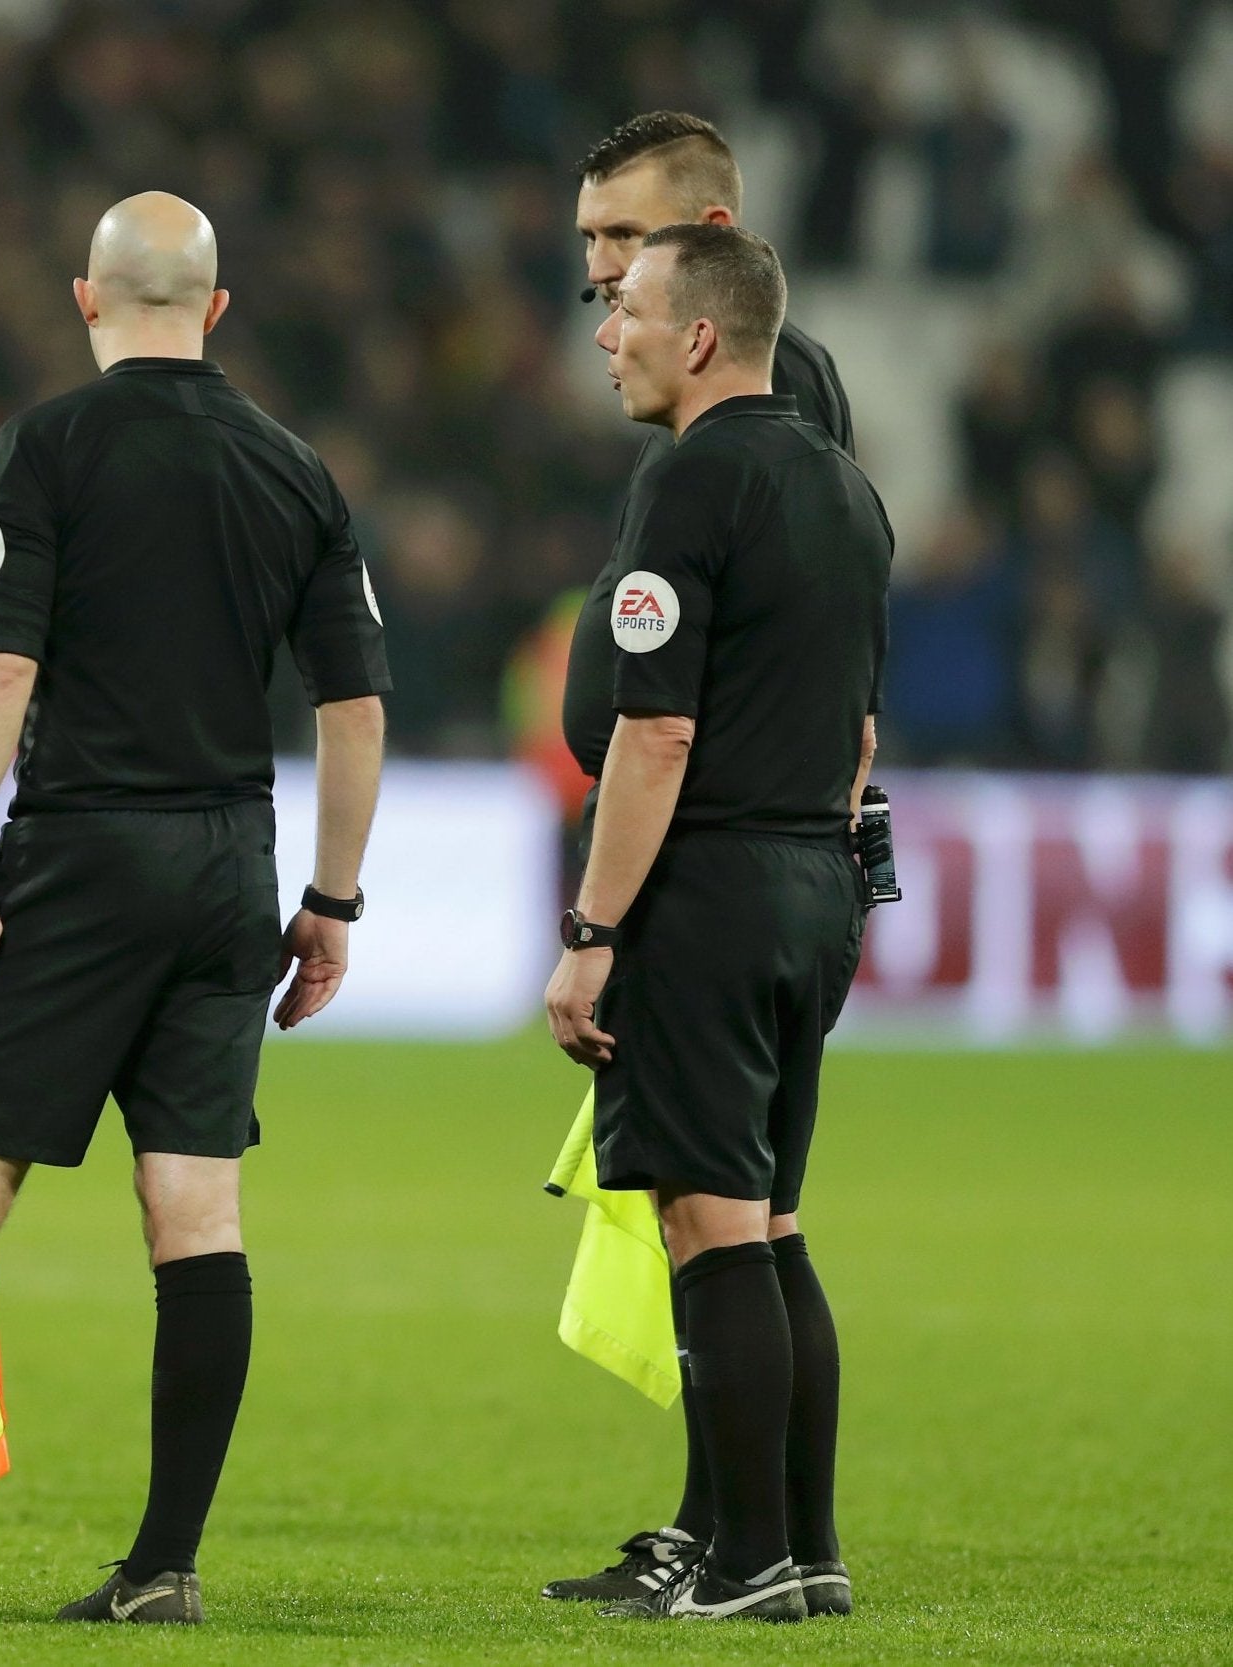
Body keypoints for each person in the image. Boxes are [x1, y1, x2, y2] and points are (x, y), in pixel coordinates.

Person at [0, 192, 388, 1627]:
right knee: (195, 1208)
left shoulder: (44, 448)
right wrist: (331, 899)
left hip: (80, 857)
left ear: (85, 298)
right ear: (214, 309)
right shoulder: (296, 469)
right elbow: (352, 707)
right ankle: (161, 1566)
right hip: (230, 857)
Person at [544, 223, 890, 1622]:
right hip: (818, 884)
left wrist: (590, 927)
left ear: (699, 336)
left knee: (709, 1227)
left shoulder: (690, 481)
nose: (602, 329)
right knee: (771, 1219)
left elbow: (656, 729)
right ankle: (801, 1550)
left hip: (711, 891)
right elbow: (859, 723)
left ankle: (743, 1560)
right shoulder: (848, 490)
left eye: (622, 306)